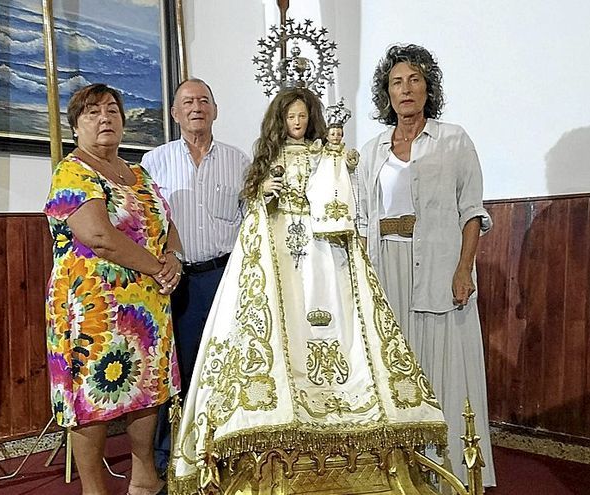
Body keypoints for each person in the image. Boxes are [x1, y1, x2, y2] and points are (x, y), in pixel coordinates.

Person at [168, 87, 447, 494]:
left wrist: (335, 152)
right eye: (290, 117)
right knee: (282, 325)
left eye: (303, 116)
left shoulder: (319, 153)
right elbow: (255, 202)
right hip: (281, 251)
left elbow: (340, 177)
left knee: (334, 317)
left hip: (323, 249)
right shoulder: (267, 158)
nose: (297, 123)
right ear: (279, 121)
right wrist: (264, 194)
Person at [357, 44, 497, 487]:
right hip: (386, 266)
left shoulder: (453, 139)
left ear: (428, 87)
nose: (406, 89)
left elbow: (471, 211)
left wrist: (463, 269)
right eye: (397, 82)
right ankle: (401, 472)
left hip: (438, 266)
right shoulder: (371, 149)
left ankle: (450, 472)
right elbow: (362, 219)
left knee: (442, 368)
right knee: (395, 369)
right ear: (388, 93)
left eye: (414, 79)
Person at [43, 83, 180, 495]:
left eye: (112, 112)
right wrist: (158, 267)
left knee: (147, 388)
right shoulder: (72, 172)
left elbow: (166, 224)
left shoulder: (138, 172)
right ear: (76, 126)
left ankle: (144, 479)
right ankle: (94, 489)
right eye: (93, 113)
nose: (105, 119)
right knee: (93, 397)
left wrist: (173, 258)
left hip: (146, 306)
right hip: (92, 307)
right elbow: (98, 235)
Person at [140, 78, 249, 471]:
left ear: (216, 110)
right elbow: (147, 224)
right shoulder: (153, 163)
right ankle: (172, 458)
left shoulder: (239, 161)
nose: (196, 107)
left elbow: (250, 221)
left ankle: (227, 450)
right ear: (174, 114)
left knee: (227, 365)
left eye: (204, 100)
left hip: (226, 278)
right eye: (187, 102)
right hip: (175, 282)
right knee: (176, 370)